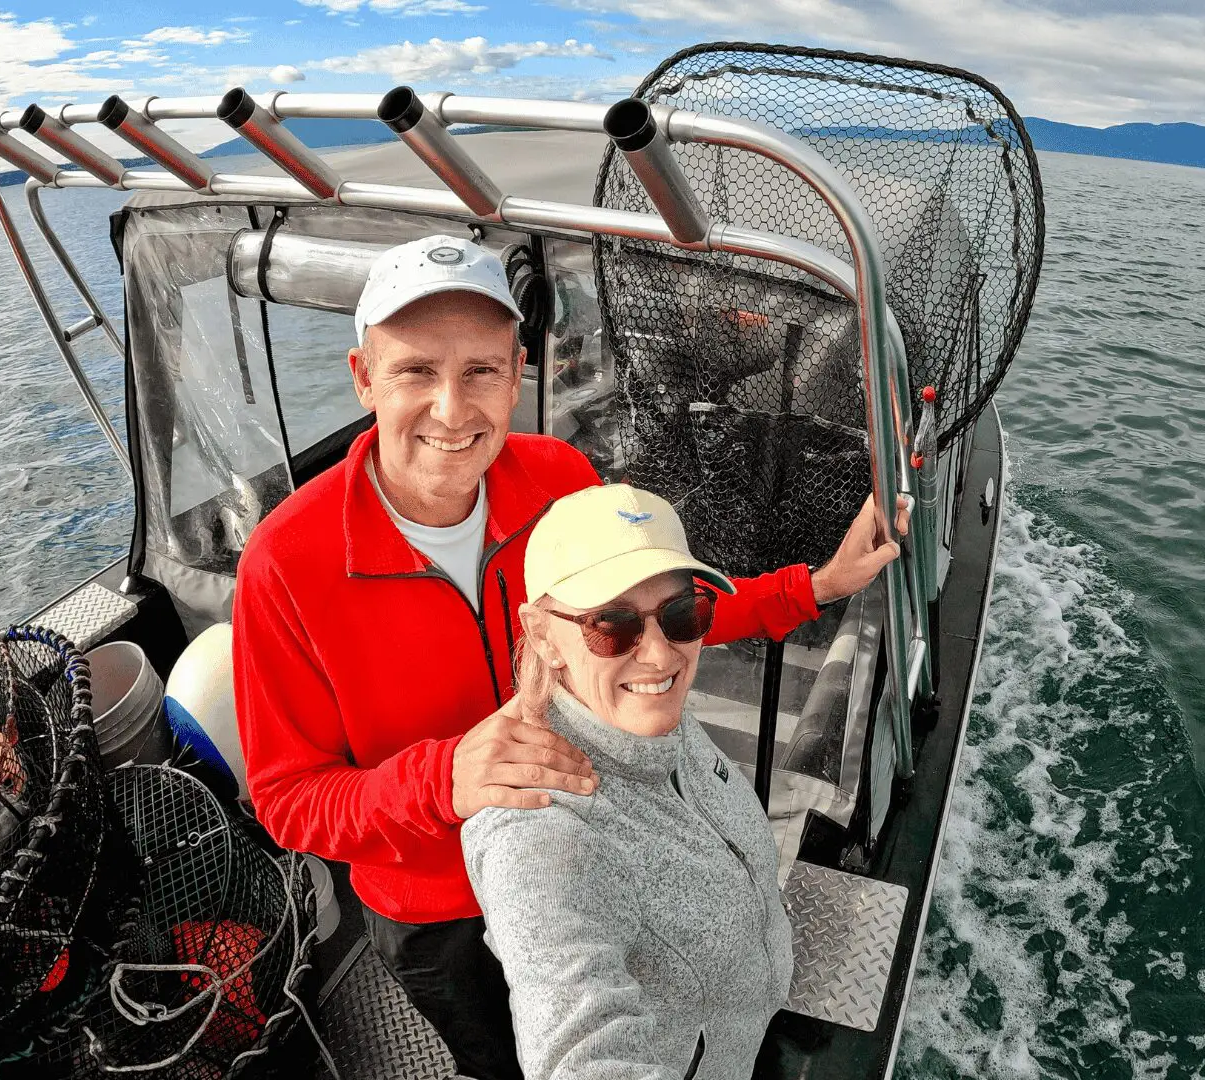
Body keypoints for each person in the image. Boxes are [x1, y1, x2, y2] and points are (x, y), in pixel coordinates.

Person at [232, 234, 902, 1080]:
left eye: (480, 371)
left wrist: (816, 586)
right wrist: (442, 780)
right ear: (363, 376)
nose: (451, 408)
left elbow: (643, 621)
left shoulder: (558, 477)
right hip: (439, 916)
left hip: (601, 850)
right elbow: (289, 801)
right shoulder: (283, 566)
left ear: (518, 375)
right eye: (415, 372)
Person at [464, 483, 792, 1080]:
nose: (662, 656)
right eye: (611, 626)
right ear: (542, 634)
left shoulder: (650, 714)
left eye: (681, 613)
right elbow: (580, 1047)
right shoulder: (539, 833)